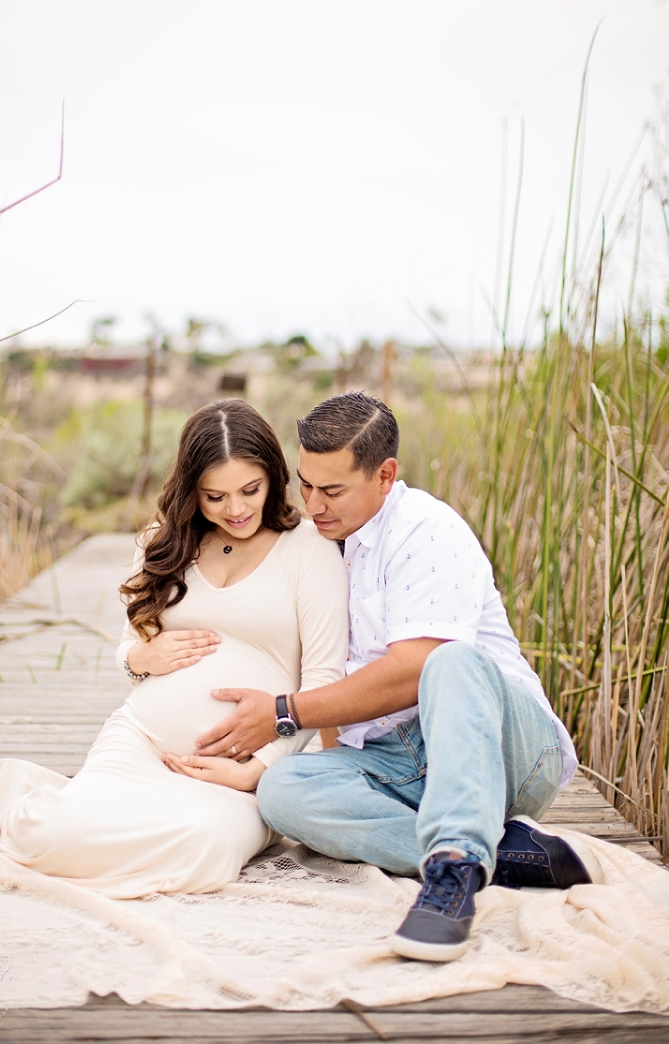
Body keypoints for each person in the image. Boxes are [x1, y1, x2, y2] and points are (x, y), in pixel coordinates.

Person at [190, 391, 604, 961]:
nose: (313, 504)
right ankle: (505, 850)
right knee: (283, 792)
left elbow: (412, 672)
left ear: (385, 476)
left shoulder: (427, 531)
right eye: (305, 484)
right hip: (397, 758)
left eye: (332, 490)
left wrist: (284, 714)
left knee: (449, 659)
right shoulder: (323, 542)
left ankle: (454, 874)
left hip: (503, 748)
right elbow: (334, 676)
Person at [0, 400, 348, 897]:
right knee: (53, 839)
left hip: (239, 768)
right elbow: (128, 648)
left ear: (273, 476)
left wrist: (256, 769)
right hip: (143, 739)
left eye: (250, 490)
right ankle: (8, 803)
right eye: (215, 496)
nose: (236, 509)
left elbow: (322, 685)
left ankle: (22, 796)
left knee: (206, 850)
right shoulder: (162, 545)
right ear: (192, 491)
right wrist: (140, 658)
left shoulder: (309, 550)